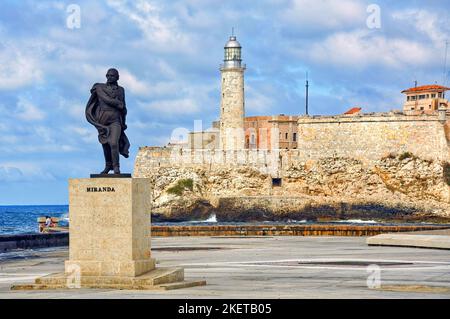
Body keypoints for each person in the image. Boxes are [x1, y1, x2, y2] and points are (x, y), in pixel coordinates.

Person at [85, 68, 130, 174]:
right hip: (102, 120)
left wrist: (124, 121)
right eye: (108, 75)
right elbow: (105, 98)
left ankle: (116, 167)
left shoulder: (121, 90)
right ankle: (108, 165)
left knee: (114, 143)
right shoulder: (99, 87)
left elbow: (124, 107)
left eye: (112, 76)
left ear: (117, 77)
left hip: (115, 120)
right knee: (105, 144)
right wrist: (117, 103)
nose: (109, 77)